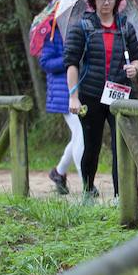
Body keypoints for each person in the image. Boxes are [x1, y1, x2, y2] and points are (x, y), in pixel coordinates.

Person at [64, 0, 138, 198]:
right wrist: (73, 96)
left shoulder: (125, 27)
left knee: (121, 147)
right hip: (91, 94)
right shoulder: (83, 27)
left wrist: (134, 67)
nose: (106, 2)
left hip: (120, 95)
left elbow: (137, 57)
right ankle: (88, 190)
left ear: (117, 0)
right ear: (93, 0)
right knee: (91, 146)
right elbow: (71, 62)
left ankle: (121, 196)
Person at [40, 21, 83, 195]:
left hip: (84, 90)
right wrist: (69, 59)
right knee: (81, 134)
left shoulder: (83, 29)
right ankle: (86, 182)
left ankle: (58, 172)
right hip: (64, 94)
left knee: (79, 135)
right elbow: (45, 63)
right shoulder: (52, 35)